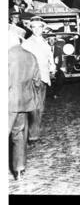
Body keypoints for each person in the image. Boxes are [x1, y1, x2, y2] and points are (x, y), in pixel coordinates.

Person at [8, 32, 41, 180]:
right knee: (18, 135)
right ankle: (19, 169)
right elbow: (37, 81)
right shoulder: (31, 56)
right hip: (23, 102)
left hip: (8, 102)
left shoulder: (6, 55)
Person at [22, 16, 56, 145]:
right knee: (33, 107)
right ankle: (32, 135)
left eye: (39, 27)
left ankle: (34, 133)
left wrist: (52, 66)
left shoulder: (45, 42)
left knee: (40, 107)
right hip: (32, 78)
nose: (37, 29)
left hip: (44, 78)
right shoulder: (27, 43)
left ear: (43, 28)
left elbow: (49, 58)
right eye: (34, 27)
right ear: (31, 28)